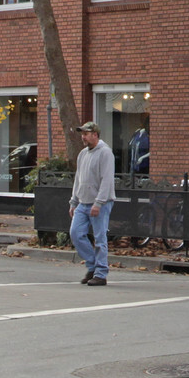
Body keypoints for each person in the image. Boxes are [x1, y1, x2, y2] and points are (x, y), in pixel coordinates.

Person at [69, 120, 116, 286]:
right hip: (83, 202)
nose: (83, 137)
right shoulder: (83, 154)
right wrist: (74, 201)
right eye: (82, 134)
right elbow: (78, 178)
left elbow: (107, 180)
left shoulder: (105, 153)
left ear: (95, 135)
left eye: (86, 134)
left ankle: (101, 273)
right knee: (75, 233)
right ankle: (93, 265)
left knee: (100, 238)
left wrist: (99, 202)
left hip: (100, 203)